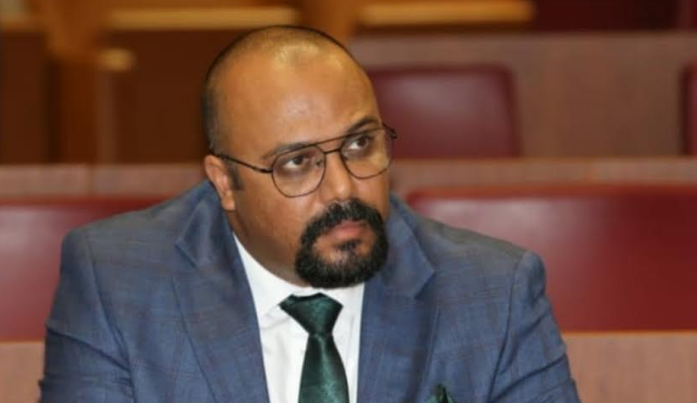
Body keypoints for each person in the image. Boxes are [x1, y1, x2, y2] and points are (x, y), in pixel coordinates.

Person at [40, 26, 581, 403]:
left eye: (360, 144)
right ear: (225, 182)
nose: (344, 187)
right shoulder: (119, 284)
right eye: (298, 163)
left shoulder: (492, 293)